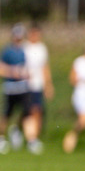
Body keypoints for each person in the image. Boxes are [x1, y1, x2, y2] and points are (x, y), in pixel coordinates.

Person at [0, 24, 30, 154]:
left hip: (23, 88)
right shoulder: (7, 51)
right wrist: (12, 72)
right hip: (10, 88)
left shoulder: (26, 50)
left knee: (25, 113)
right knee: (5, 115)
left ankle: (17, 132)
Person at [21, 22, 53, 154]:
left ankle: (33, 137)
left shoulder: (42, 48)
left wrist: (48, 84)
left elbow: (44, 67)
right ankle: (29, 137)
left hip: (37, 84)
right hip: (25, 84)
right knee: (28, 111)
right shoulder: (24, 47)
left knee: (37, 110)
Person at [63, 41, 85, 154]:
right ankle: (72, 135)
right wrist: (82, 80)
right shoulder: (79, 62)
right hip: (82, 95)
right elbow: (72, 79)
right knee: (83, 121)